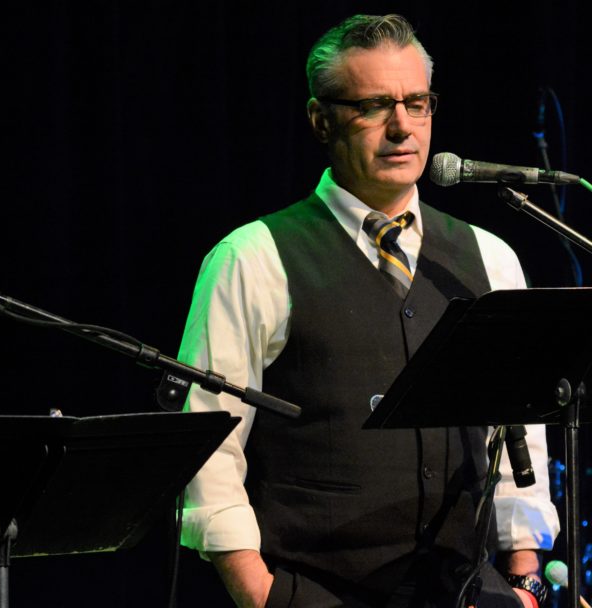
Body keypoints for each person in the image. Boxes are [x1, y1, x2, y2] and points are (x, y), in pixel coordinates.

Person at [178, 15, 559, 608]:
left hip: (467, 591)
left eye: (416, 103)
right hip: (316, 591)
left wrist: (525, 580)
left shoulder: (490, 257)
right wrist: (261, 593)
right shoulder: (252, 257)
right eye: (374, 106)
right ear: (320, 120)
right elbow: (208, 447)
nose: (401, 125)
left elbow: (518, 441)